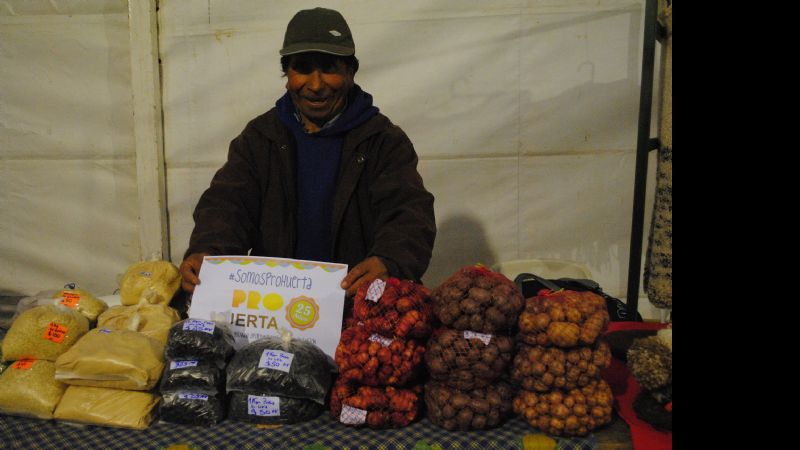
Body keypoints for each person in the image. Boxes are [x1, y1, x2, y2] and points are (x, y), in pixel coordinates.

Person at [179, 7, 436, 298]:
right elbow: (227, 205)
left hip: (357, 308)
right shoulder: (260, 138)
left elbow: (409, 214)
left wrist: (391, 261)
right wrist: (208, 251)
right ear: (287, 74)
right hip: (273, 306)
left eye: (329, 68)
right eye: (302, 68)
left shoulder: (383, 141)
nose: (315, 85)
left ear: (350, 72)